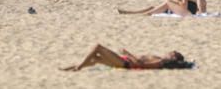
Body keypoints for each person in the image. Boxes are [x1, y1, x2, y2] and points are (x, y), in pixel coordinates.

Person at [61, 45, 191, 71]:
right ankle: (71, 68)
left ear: (173, 57)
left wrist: (128, 53)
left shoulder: (160, 62)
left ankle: (78, 67)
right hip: (125, 60)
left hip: (126, 63)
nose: (170, 51)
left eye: (173, 52)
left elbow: (140, 64)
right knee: (96, 58)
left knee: (98, 48)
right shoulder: (159, 58)